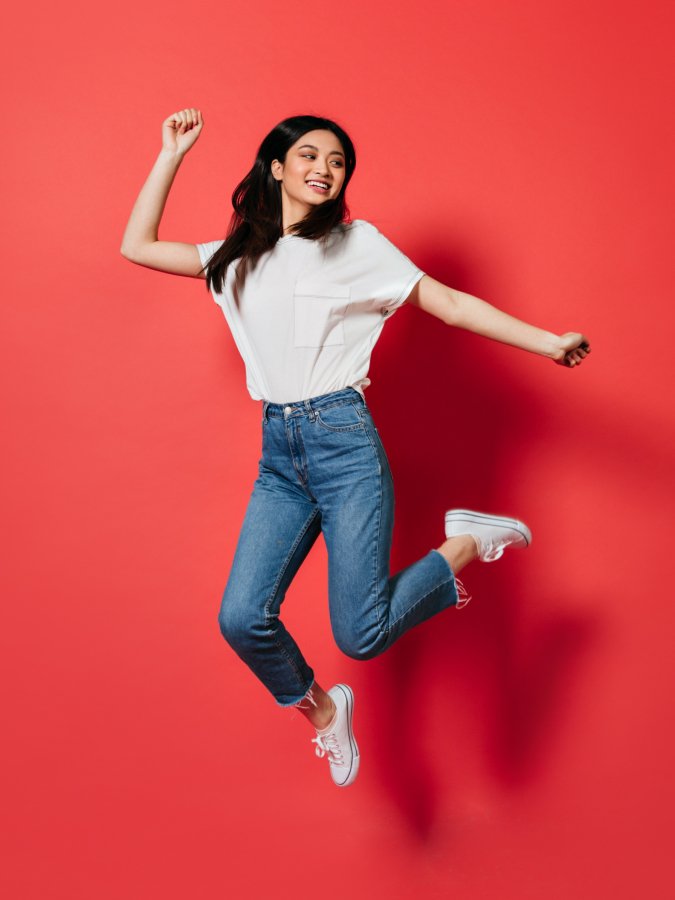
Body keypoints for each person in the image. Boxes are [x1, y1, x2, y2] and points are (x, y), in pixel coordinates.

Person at [121, 108, 591, 789]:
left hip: (343, 444)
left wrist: (547, 343)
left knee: (360, 635)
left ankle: (465, 542)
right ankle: (323, 710)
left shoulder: (356, 245)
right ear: (276, 167)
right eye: (309, 155)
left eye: (337, 161)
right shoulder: (236, 258)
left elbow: (450, 304)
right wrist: (171, 154)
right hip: (279, 454)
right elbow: (137, 245)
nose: (324, 168)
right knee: (242, 618)